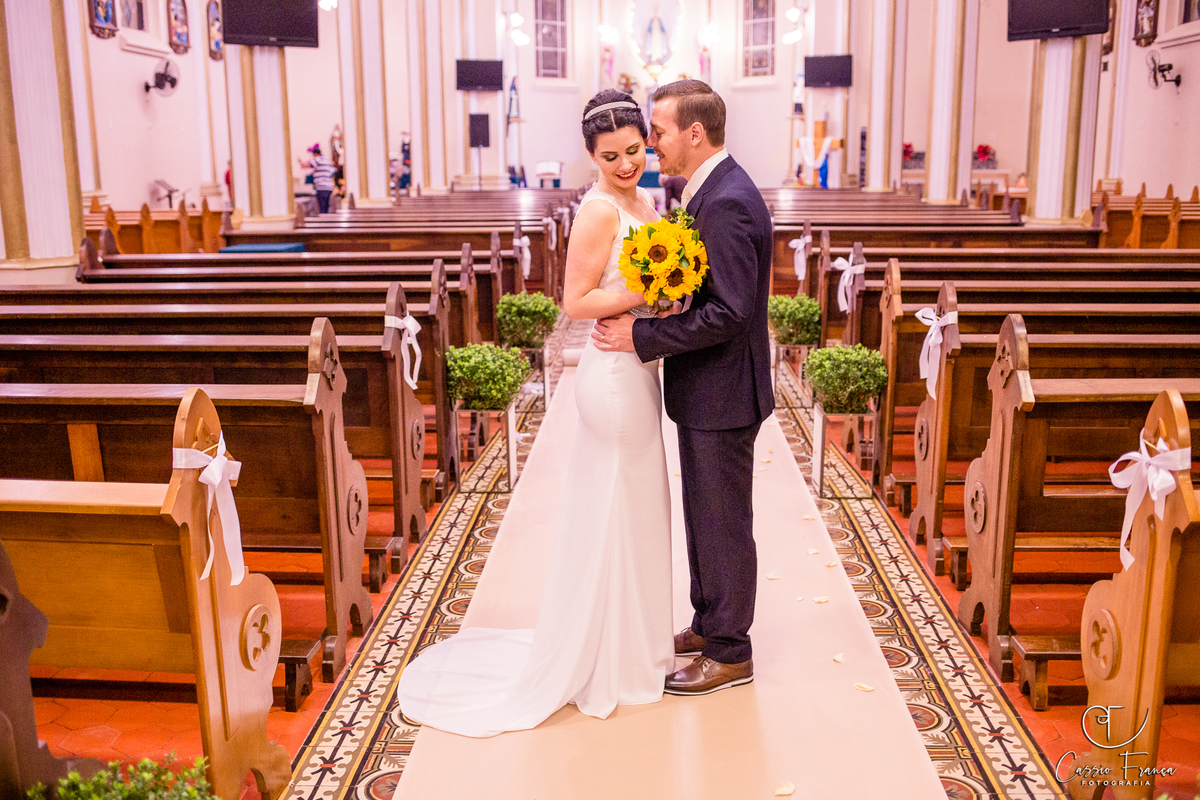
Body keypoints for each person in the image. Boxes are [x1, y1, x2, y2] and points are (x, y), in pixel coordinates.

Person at [394, 89, 675, 738]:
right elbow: (575, 302)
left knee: (636, 509)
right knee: (618, 508)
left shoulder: (645, 202)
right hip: (611, 378)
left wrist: (663, 301)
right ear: (591, 156)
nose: (626, 164)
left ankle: (633, 648)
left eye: (634, 150)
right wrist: (646, 290)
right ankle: (610, 661)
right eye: (611, 156)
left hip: (637, 368)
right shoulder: (599, 211)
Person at [594, 79, 774, 696]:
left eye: (659, 131)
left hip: (724, 391)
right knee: (706, 515)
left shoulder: (726, 201)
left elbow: (731, 313)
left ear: (695, 133)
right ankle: (708, 622)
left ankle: (730, 651)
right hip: (710, 389)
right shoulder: (711, 191)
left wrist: (643, 336)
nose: (651, 143)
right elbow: (713, 293)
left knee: (723, 523)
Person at [302, 143, 336, 213]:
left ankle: (323, 219)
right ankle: (326, 218)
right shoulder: (326, 160)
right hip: (329, 187)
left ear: (315, 154)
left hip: (321, 187)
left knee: (322, 208)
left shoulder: (317, 159)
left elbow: (309, 165)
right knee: (326, 207)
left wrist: (301, 163)